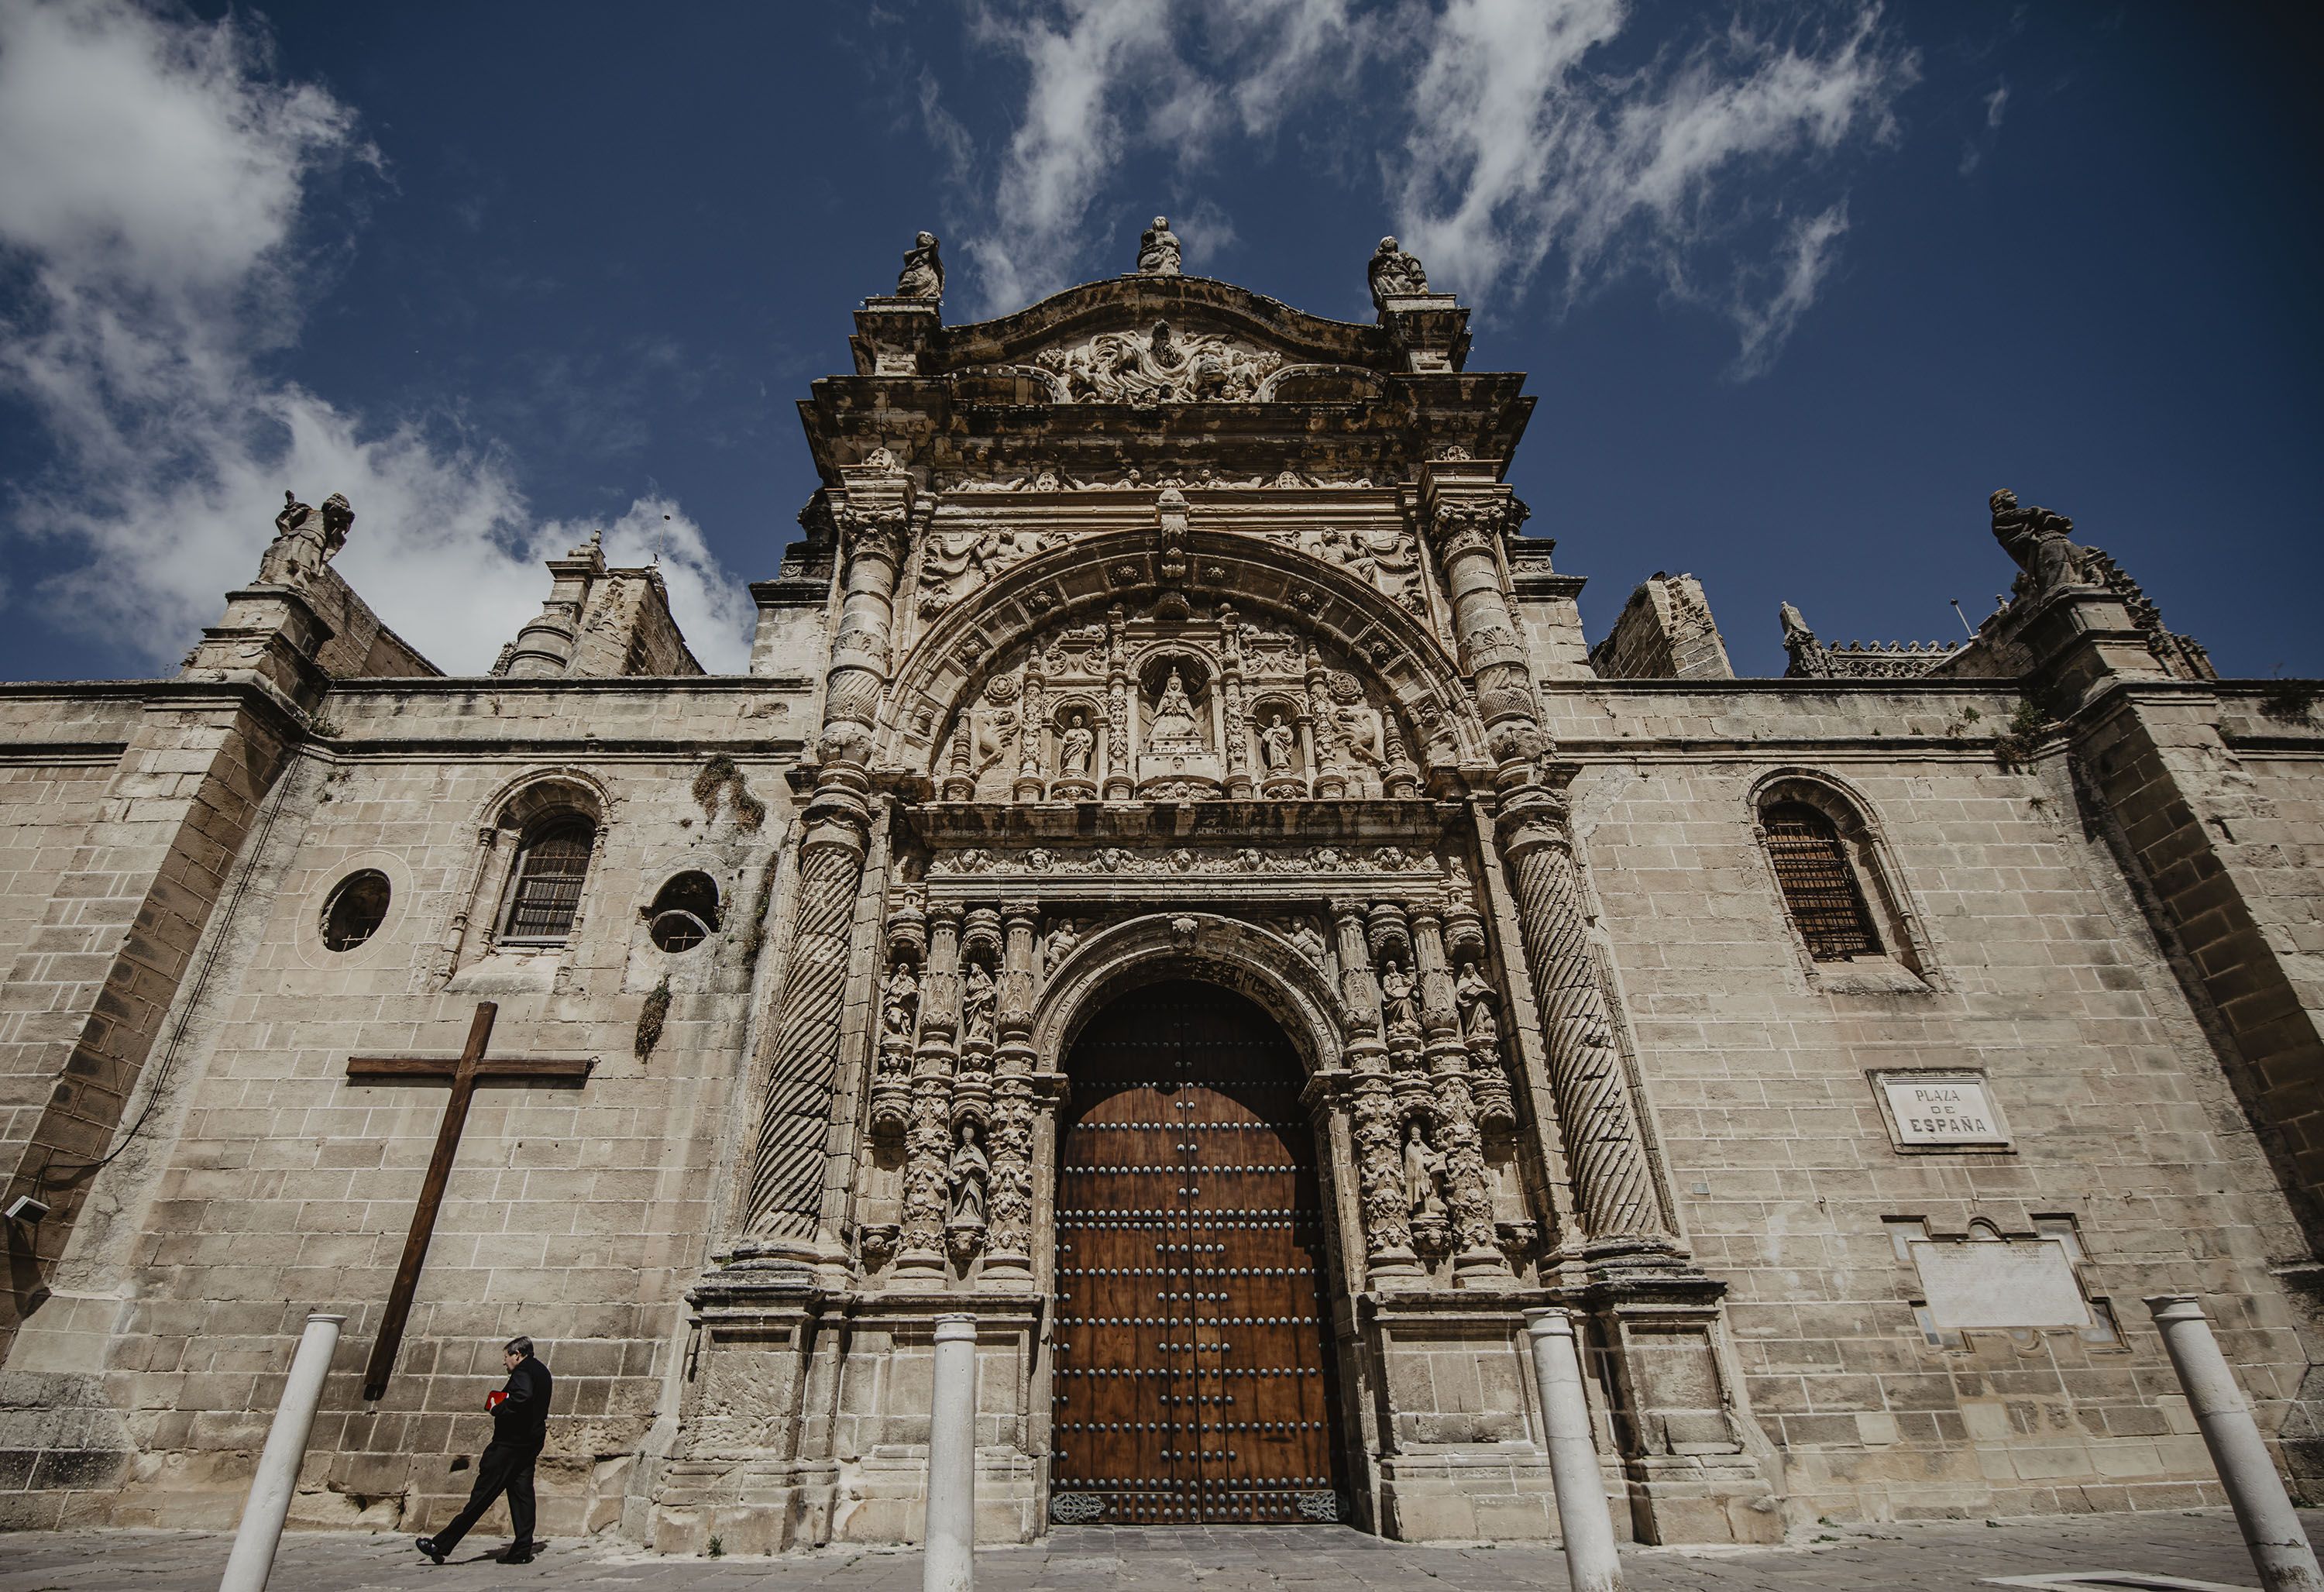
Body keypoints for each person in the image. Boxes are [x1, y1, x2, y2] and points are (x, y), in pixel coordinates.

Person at [417, 1336, 554, 1565]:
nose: (505, 1363)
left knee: (482, 1496)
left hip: (509, 1446)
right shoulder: (542, 1371)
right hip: (530, 1443)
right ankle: (521, 1550)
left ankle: (441, 1544)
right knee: (522, 1496)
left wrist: (498, 1408)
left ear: (517, 1355)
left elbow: (523, 1396)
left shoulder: (522, 1372)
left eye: (506, 1357)